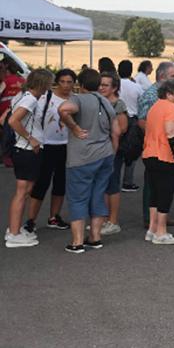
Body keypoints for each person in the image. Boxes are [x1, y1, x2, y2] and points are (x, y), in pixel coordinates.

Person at [58, 68, 120, 253]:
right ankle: (95, 237)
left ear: (81, 84)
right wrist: (112, 153)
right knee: (98, 194)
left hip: (81, 157)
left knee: (78, 197)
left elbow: (63, 109)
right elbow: (116, 132)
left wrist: (74, 127)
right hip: (105, 155)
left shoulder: (78, 99)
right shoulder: (106, 102)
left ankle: (77, 241)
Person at [4, 69, 53, 248]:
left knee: (23, 192)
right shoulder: (30, 99)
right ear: (42, 84)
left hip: (22, 150)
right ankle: (14, 233)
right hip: (26, 150)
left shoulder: (21, 95)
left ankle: (14, 229)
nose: (50, 87)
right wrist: (30, 138)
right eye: (49, 83)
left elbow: (7, 117)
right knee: (22, 192)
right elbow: (12, 121)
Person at [25, 69, 76, 234]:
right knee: (41, 183)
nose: (66, 86)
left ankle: (54, 217)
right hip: (46, 145)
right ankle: (31, 220)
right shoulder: (46, 97)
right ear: (57, 82)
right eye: (63, 81)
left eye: (70, 82)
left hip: (66, 145)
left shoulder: (76, 100)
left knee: (60, 184)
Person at [142, 79, 174, 245]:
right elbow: (170, 132)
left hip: (150, 154)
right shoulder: (170, 108)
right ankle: (161, 232)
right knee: (165, 193)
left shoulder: (155, 107)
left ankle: (153, 229)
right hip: (164, 155)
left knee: (155, 193)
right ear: (169, 94)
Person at [138, 61, 174, 228]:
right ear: (162, 77)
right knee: (153, 184)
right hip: (156, 147)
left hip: (166, 146)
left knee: (163, 185)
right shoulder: (150, 95)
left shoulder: (169, 95)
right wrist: (156, 134)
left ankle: (162, 216)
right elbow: (142, 120)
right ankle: (150, 219)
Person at [99, 71, 129, 235]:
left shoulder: (118, 104)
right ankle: (102, 219)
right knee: (102, 185)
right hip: (99, 149)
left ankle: (113, 220)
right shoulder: (98, 101)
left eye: (105, 85)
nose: (101, 87)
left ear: (114, 87)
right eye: (100, 84)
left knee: (112, 184)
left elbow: (122, 128)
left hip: (113, 149)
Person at [116, 59, 143, 192]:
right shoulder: (136, 86)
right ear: (131, 71)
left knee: (117, 151)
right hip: (132, 119)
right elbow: (142, 103)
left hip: (116, 118)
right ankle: (128, 181)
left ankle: (114, 179)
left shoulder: (115, 85)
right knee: (131, 152)